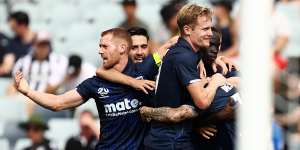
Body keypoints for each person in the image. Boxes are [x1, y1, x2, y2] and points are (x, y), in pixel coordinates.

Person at [14, 28, 158, 149]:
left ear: (122, 48)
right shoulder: (95, 83)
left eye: (105, 46)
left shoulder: (145, 70)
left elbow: (172, 46)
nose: (100, 51)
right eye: (100, 46)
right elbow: (58, 103)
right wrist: (28, 91)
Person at [142, 4, 228, 149]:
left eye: (210, 28)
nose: (210, 33)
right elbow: (202, 101)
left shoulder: (183, 52)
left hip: (173, 138)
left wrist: (213, 59)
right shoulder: (183, 57)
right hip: (170, 142)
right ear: (187, 30)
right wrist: (216, 80)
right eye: (205, 29)